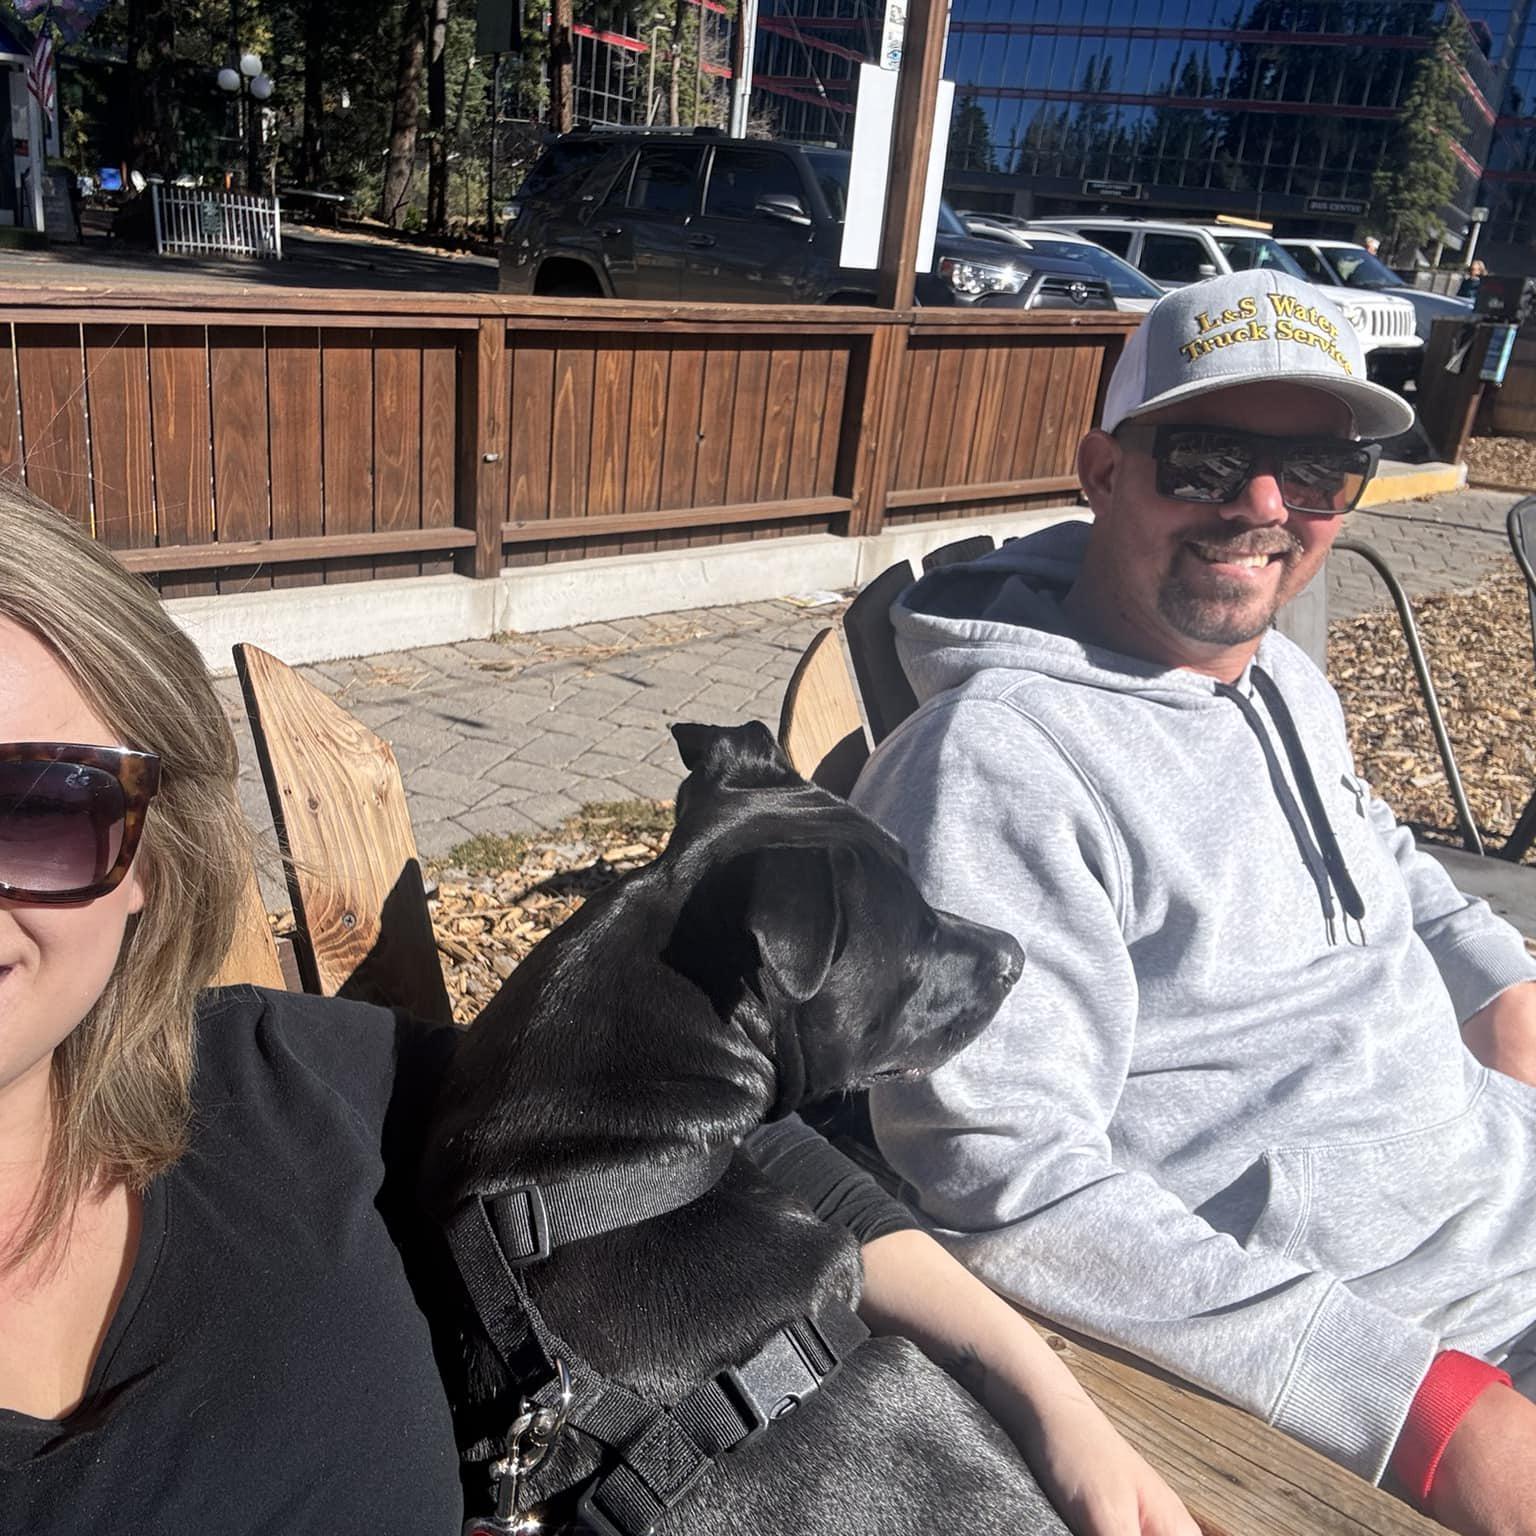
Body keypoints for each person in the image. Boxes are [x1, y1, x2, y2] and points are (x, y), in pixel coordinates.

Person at [0, 486, 1195, 1536]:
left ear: (149, 847)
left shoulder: (279, 1083)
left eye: (32, 803)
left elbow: (716, 1139)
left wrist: (1045, 1397)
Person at [850, 270, 1536, 1536]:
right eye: (1208, 460)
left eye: (1317, 473)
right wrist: (1423, 1408)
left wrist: (1500, 982)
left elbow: (1378, 851)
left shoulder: (1279, 678)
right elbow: (1005, 1179)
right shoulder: (999, 765)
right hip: (1406, 1341)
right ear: (1102, 471)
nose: (1266, 508)